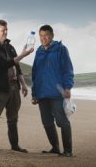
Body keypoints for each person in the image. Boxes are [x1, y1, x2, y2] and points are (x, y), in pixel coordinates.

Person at [0, 19, 34, 152]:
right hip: (0, 88)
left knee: (13, 118)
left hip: (14, 88)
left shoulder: (10, 47)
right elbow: (6, 64)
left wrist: (23, 84)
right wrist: (23, 55)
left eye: (6, 29)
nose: (5, 32)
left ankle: (15, 146)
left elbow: (17, 66)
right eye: (2, 30)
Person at [31, 25, 74, 157]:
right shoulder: (39, 51)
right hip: (42, 94)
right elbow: (35, 73)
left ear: (52, 36)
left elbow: (68, 70)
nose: (44, 38)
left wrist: (68, 87)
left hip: (57, 93)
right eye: (41, 36)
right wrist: (34, 93)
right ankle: (55, 148)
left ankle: (68, 151)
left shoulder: (61, 49)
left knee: (62, 122)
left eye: (47, 35)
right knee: (47, 123)